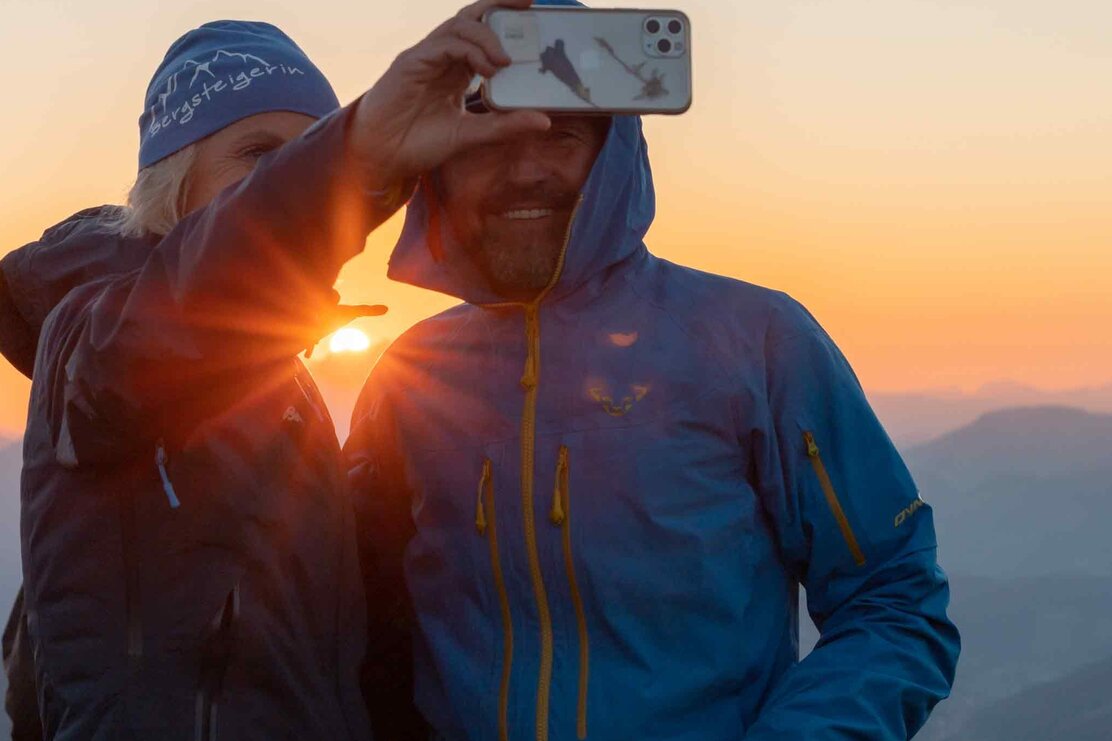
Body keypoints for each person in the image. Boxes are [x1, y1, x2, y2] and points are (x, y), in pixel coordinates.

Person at [345, 0, 961, 739]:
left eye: (563, 134)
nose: (526, 169)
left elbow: (892, 597)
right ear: (438, 166)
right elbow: (354, 620)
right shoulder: (411, 378)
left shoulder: (756, 342)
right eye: (488, 138)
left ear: (613, 153)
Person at [0, 14, 542, 737]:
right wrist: (353, 159)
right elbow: (177, 320)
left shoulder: (275, 377)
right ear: (174, 178)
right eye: (256, 153)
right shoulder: (90, 333)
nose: (280, 177)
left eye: (304, 151)